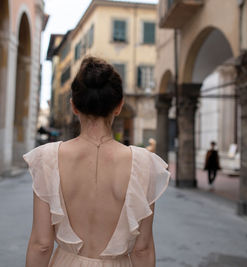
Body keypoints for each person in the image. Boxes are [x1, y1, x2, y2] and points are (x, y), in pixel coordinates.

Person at [23, 57, 170, 267]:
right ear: (119, 106)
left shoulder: (47, 159)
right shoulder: (144, 163)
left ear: (74, 105)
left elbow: (41, 244)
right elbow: (143, 249)